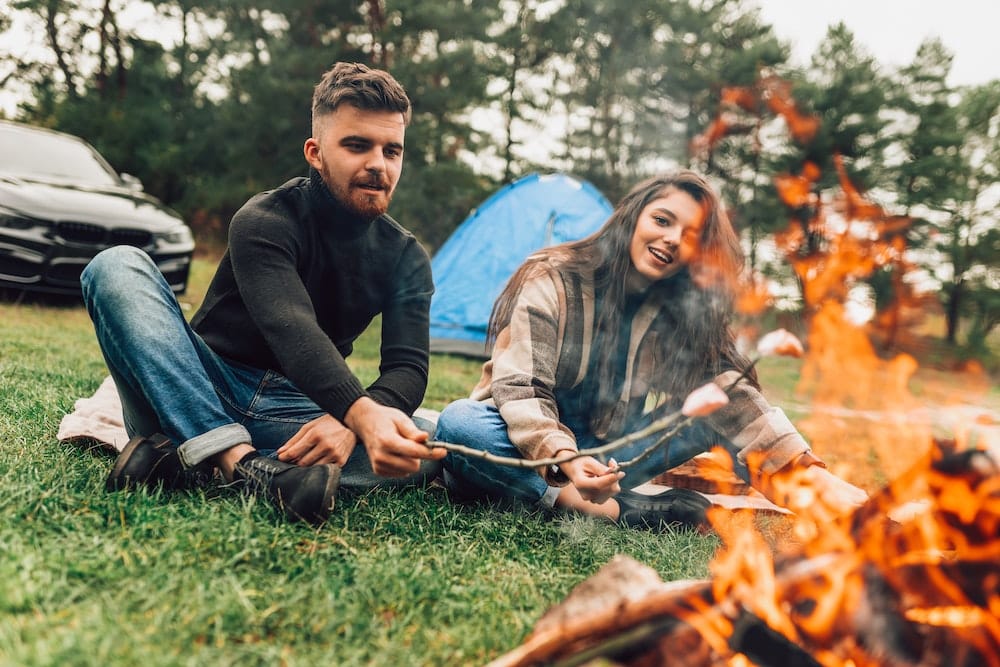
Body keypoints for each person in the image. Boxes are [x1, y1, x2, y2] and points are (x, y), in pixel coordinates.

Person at [81, 62, 445, 524]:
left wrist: (347, 424)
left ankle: (183, 460)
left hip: (299, 411)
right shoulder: (264, 220)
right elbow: (290, 328)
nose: (378, 164)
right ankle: (241, 464)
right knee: (115, 266)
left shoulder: (406, 255)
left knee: (430, 446)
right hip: (199, 386)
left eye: (392, 151)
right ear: (315, 152)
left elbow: (408, 368)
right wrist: (360, 412)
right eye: (357, 146)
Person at [433, 170, 868, 531]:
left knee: (717, 405)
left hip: (609, 459)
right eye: (662, 220)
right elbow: (519, 388)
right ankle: (606, 509)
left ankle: (822, 510)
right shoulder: (553, 278)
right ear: (633, 217)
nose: (673, 239)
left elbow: (731, 395)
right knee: (459, 424)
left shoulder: (678, 309)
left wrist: (805, 472)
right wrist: (564, 460)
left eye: (691, 235)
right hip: (525, 447)